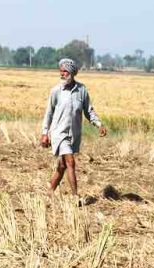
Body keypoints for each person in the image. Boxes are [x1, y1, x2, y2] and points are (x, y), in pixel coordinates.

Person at [40, 58, 107, 199]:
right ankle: (75, 197)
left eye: (65, 71)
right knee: (70, 162)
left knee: (63, 165)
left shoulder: (81, 90)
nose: (62, 74)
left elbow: (89, 111)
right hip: (59, 133)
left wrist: (99, 124)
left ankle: (50, 190)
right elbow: (49, 113)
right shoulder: (56, 91)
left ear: (72, 73)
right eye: (61, 71)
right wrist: (45, 133)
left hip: (74, 135)